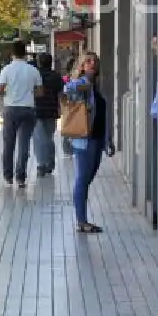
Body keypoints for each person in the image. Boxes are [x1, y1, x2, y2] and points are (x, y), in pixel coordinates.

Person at [63, 52, 113, 232]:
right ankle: (81, 221)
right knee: (83, 179)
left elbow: (102, 115)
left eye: (95, 62)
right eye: (88, 62)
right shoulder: (83, 85)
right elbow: (68, 89)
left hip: (98, 138)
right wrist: (83, 82)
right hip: (85, 140)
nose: (92, 64)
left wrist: (108, 139)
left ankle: (82, 219)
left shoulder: (96, 87)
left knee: (87, 178)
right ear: (82, 66)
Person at [0, 40, 42, 188]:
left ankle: (8, 177)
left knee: (8, 144)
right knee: (24, 145)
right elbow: (40, 92)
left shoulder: (6, 70)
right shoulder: (33, 70)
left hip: (10, 109)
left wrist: (9, 91)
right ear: (25, 53)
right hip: (28, 110)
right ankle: (21, 177)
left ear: (12, 53)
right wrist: (28, 92)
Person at [32, 52, 63, 176]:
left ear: (39, 62)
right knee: (49, 137)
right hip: (52, 110)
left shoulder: (36, 76)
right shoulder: (56, 76)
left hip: (37, 110)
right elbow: (61, 93)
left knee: (39, 138)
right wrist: (60, 108)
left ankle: (41, 164)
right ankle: (50, 162)